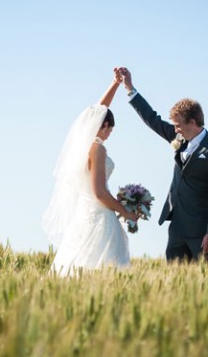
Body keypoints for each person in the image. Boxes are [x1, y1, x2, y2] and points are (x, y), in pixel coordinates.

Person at [117, 67, 208, 262]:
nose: (175, 129)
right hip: (176, 228)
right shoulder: (179, 138)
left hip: (201, 232)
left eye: (178, 125)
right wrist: (129, 88)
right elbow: (152, 119)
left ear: (193, 122)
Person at [42, 72, 138, 275]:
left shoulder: (82, 147)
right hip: (100, 218)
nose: (110, 133)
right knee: (106, 271)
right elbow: (100, 193)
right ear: (104, 126)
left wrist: (114, 84)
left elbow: (98, 111)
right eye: (110, 129)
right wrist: (125, 210)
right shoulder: (98, 149)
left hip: (83, 217)